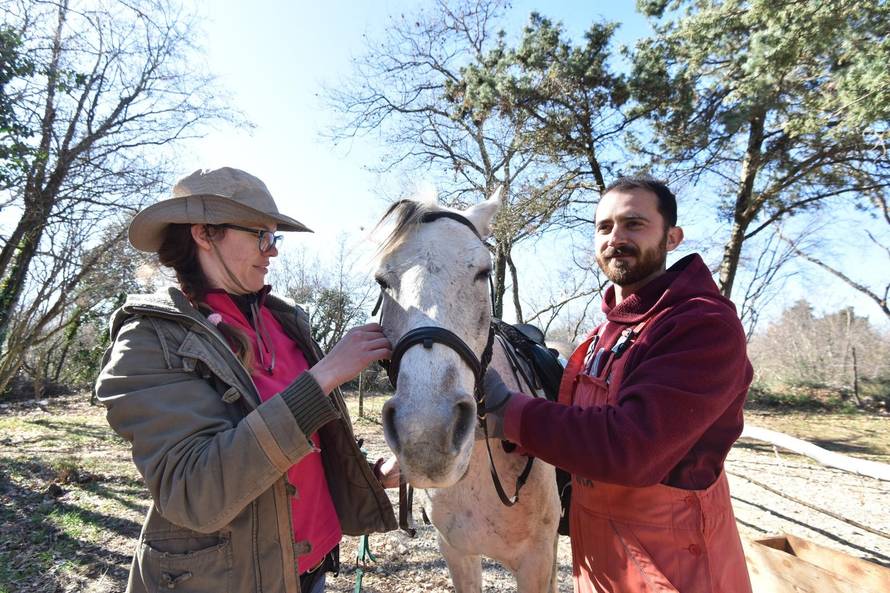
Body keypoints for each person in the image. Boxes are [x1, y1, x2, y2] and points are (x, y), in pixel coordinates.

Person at [95, 167, 398, 593]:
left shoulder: (284, 323)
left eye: (275, 236)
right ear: (204, 234)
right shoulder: (149, 341)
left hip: (310, 574)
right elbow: (195, 489)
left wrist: (370, 472)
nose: (272, 251)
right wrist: (325, 376)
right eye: (260, 234)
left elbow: (296, 452)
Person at [484, 175, 753, 593]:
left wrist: (512, 412)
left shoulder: (700, 325)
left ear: (672, 237)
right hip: (602, 555)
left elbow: (633, 447)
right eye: (604, 227)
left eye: (634, 224)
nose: (615, 237)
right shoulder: (606, 331)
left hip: (671, 561)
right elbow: (580, 421)